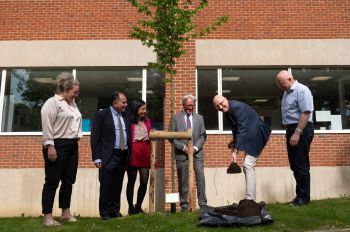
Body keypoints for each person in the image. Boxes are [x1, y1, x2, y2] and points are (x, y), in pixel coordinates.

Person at [41, 72, 82, 227]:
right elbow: (47, 125)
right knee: (52, 181)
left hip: (72, 145)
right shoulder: (52, 103)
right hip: (56, 145)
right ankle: (48, 217)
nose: (76, 95)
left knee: (68, 180)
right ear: (65, 90)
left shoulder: (72, 104)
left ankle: (65, 213)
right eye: (74, 92)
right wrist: (49, 145)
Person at [212, 95, 271, 202]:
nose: (220, 107)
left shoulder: (236, 107)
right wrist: (234, 143)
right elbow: (235, 129)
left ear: (225, 98)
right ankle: (251, 199)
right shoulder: (227, 112)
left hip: (258, 133)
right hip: (249, 135)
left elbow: (242, 129)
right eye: (217, 106)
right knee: (248, 165)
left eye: (221, 103)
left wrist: (235, 152)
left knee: (248, 164)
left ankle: (250, 199)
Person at [276, 70, 314, 206]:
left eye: (281, 83)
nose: (280, 86)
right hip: (291, 129)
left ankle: (304, 198)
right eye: (278, 84)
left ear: (290, 79)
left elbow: (306, 112)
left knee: (301, 165)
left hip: (301, 129)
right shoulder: (286, 93)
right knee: (294, 165)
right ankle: (299, 196)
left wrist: (297, 132)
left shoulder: (302, 90)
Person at [90, 91, 131, 220]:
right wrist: (97, 157)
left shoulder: (125, 115)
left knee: (117, 185)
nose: (125, 105)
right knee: (106, 184)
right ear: (115, 103)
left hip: (123, 154)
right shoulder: (101, 115)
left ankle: (115, 211)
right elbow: (95, 137)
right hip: (108, 155)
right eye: (123, 102)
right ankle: (105, 212)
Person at [170, 94, 207, 211]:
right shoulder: (175, 118)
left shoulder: (199, 118)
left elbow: (203, 136)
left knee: (200, 177)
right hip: (182, 155)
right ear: (183, 105)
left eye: (193, 105)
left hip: (197, 154)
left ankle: (203, 204)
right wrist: (183, 147)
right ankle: (184, 206)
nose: (191, 108)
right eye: (188, 105)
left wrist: (195, 148)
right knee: (183, 180)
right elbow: (171, 137)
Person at [126, 100, 151, 215]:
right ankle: (130, 207)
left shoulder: (147, 121)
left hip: (145, 153)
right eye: (142, 109)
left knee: (144, 181)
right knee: (131, 181)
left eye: (145, 109)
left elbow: (150, 136)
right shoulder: (129, 122)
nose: (144, 111)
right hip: (133, 153)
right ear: (136, 110)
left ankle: (138, 206)